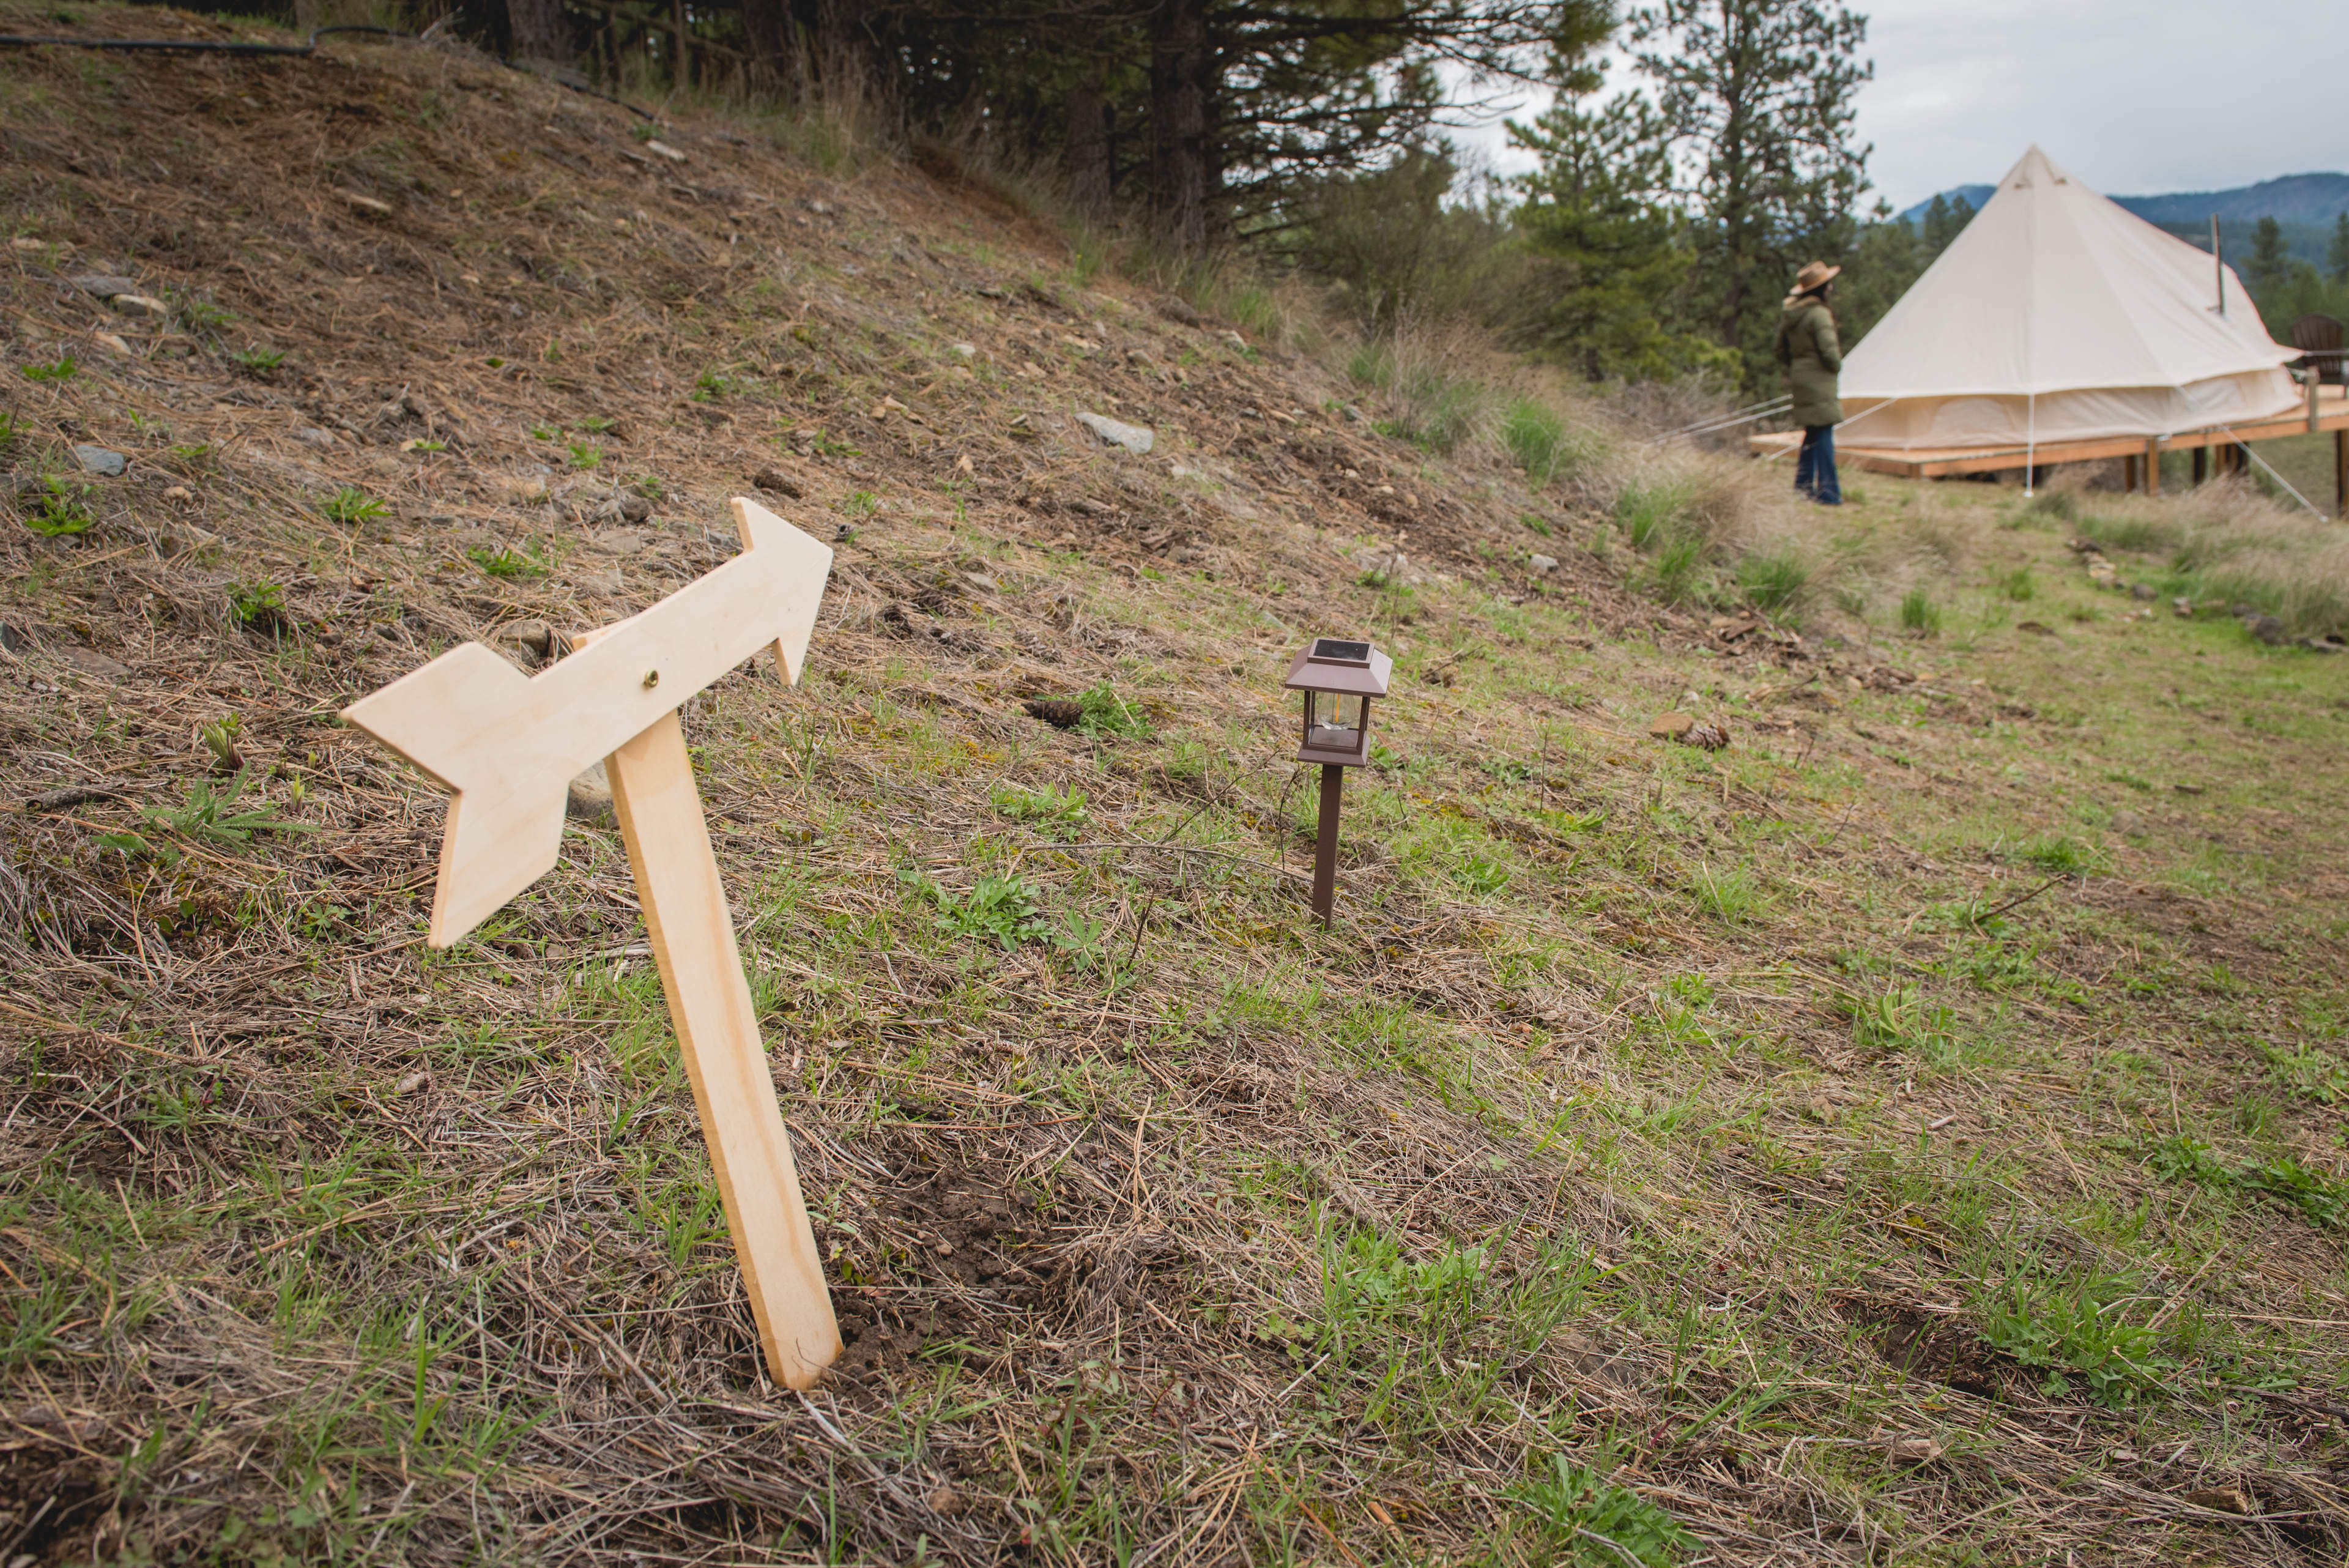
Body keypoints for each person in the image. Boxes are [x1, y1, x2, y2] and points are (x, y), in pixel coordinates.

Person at [1776, 261, 1843, 505]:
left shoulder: (1792, 315)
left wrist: (1798, 366)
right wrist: (1835, 367)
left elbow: (1779, 349)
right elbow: (1830, 351)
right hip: (1819, 379)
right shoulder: (1819, 314)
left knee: (1812, 433)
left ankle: (1803, 487)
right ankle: (1829, 493)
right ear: (1822, 288)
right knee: (1824, 433)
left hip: (1801, 377)